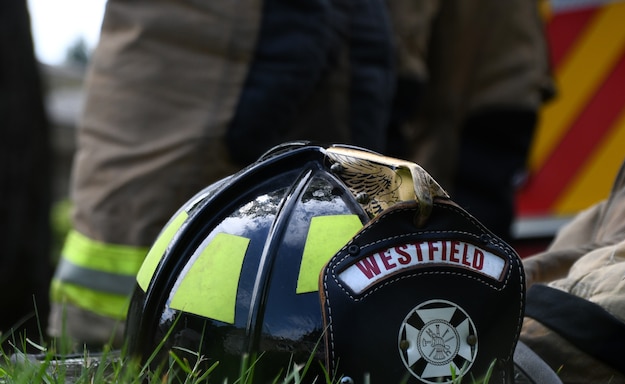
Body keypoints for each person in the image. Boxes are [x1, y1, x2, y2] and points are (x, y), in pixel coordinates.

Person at [48, 0, 396, 351]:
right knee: (148, 193)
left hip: (352, 25)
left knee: (342, 207)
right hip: (206, 25)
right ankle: (101, 346)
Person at [385, 0, 554, 242]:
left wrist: (396, 83)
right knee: (484, 233)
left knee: (448, 233)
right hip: (511, 83)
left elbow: (408, 21)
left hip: (462, 104)